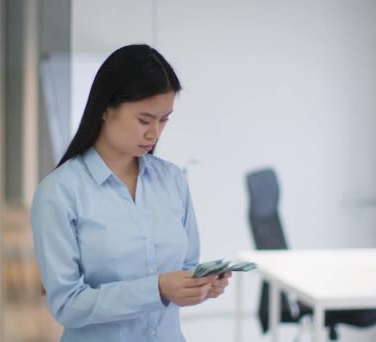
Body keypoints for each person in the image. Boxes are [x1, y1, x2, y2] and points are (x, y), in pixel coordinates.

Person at [31, 44, 231, 341]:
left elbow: (186, 266)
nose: (155, 134)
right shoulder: (59, 192)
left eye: (164, 120)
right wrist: (157, 288)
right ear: (106, 109)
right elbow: (67, 305)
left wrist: (201, 285)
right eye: (144, 120)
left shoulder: (172, 180)